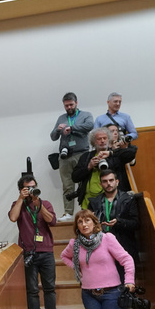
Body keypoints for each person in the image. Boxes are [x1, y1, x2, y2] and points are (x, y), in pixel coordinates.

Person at [88, 169, 140, 309]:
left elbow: (136, 223)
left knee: (124, 290)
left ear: (117, 181)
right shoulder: (94, 202)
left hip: (124, 248)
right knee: (107, 290)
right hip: (101, 252)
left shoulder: (128, 199)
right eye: (105, 181)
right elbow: (87, 226)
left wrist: (119, 223)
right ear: (101, 183)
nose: (108, 184)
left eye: (111, 180)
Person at [8, 174, 59, 309]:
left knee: (50, 289)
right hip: (28, 253)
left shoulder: (45, 203)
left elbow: (52, 221)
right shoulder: (18, 205)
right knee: (32, 291)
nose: (31, 190)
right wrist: (20, 199)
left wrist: (40, 204)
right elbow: (13, 217)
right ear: (21, 189)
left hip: (46, 252)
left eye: (33, 187)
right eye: (27, 188)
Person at [50, 92, 94, 221]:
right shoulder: (61, 118)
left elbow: (90, 126)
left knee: (84, 183)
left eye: (71, 104)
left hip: (82, 153)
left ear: (76, 103)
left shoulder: (86, 115)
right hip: (65, 156)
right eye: (66, 105)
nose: (69, 107)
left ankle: (85, 212)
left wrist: (72, 128)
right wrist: (58, 129)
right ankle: (68, 213)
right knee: (67, 185)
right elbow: (53, 137)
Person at [71, 127, 137, 208]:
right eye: (99, 139)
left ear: (109, 140)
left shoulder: (115, 155)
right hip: (89, 202)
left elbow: (132, 152)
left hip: (114, 202)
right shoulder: (86, 157)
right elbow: (74, 177)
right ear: (93, 142)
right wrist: (89, 166)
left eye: (105, 138)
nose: (102, 141)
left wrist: (111, 153)